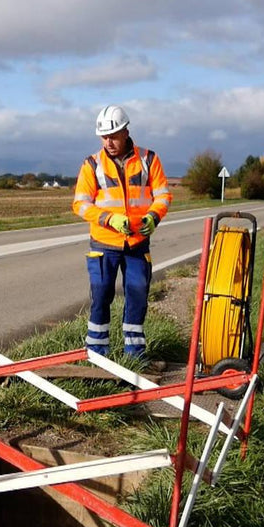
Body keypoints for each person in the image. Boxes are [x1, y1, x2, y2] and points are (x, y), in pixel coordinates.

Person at [72, 105, 172, 359]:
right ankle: (96, 353)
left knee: (137, 294)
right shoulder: (92, 164)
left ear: (126, 132)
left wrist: (154, 215)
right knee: (101, 296)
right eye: (104, 137)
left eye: (114, 135)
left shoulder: (149, 159)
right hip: (104, 242)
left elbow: (163, 195)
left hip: (137, 243)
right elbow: (80, 204)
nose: (109, 142)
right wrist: (109, 218)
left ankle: (135, 354)